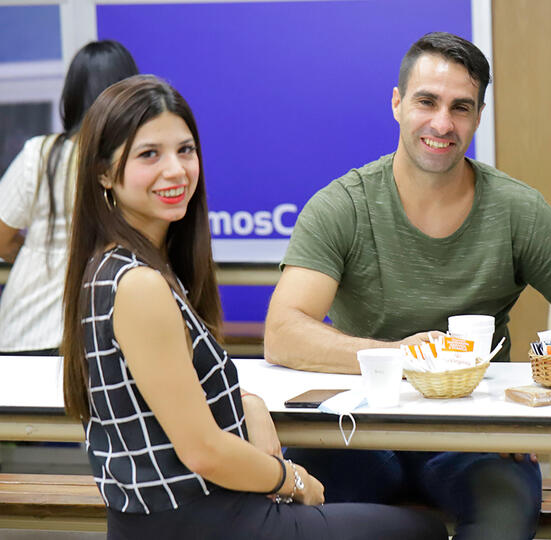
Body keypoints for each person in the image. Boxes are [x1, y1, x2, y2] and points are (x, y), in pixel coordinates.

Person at [61, 75, 447, 540]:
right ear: (104, 173)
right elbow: (203, 451)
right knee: (419, 530)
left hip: (175, 518)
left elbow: (179, 398)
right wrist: (290, 479)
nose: (176, 170)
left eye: (185, 150)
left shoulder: (116, 267)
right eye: (149, 155)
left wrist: (251, 403)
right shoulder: (139, 285)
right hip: (200, 521)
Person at [265, 32, 551, 540]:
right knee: (317, 524)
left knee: (503, 522)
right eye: (427, 101)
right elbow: (283, 332)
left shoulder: (516, 209)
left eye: (461, 107)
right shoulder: (344, 205)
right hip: (359, 430)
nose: (442, 123)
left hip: (477, 438)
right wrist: (399, 357)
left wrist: (534, 396)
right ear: (398, 103)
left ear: (478, 115)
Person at [0, 40, 139, 355]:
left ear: (71, 95)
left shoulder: (41, 152)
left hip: (24, 326)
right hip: (103, 329)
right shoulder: (138, 159)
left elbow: (1, 237)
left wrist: (37, 249)